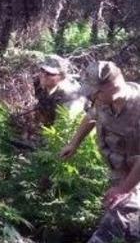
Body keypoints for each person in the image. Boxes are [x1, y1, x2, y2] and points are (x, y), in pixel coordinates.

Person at [60, 61, 140, 243]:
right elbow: (91, 117)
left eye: (94, 92)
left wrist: (123, 189)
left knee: (117, 218)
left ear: (112, 87)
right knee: (126, 226)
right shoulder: (103, 100)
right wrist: (74, 144)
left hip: (136, 177)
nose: (91, 97)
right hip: (120, 170)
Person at [34, 54, 85, 126]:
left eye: (50, 73)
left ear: (62, 77)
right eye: (42, 70)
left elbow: (65, 128)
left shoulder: (70, 96)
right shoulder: (46, 87)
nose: (43, 75)